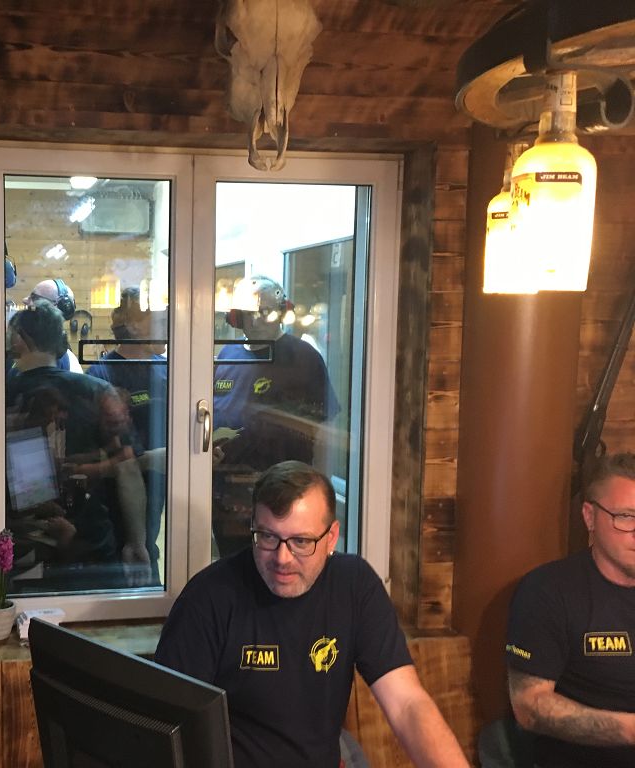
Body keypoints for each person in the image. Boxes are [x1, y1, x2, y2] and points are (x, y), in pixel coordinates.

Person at [155, 460, 470, 768]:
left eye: (301, 541)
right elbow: (167, 725)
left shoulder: (354, 585)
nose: (282, 558)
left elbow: (406, 704)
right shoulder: (209, 597)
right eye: (267, 536)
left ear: (331, 537)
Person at [5, 298, 151, 589]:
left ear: (19, 340)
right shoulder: (98, 391)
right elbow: (128, 469)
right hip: (91, 542)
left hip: (18, 544)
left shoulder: (0, 395)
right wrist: (137, 543)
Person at [504, 452, 635, 768]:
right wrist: (630, 730)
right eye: (626, 517)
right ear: (590, 517)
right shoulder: (548, 590)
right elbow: (529, 706)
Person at [212, 275, 339, 555]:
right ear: (236, 317)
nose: (255, 320)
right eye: (248, 313)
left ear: (282, 312)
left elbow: (324, 432)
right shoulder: (227, 353)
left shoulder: (304, 358)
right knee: (232, 566)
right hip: (229, 496)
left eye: (265, 311)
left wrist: (323, 494)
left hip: (285, 495)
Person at [88, 287, 168, 580]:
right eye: (161, 321)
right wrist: (153, 459)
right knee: (134, 562)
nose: (168, 328)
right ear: (134, 326)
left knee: (150, 548)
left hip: (159, 490)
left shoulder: (168, 368)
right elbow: (108, 455)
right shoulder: (101, 375)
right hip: (118, 499)